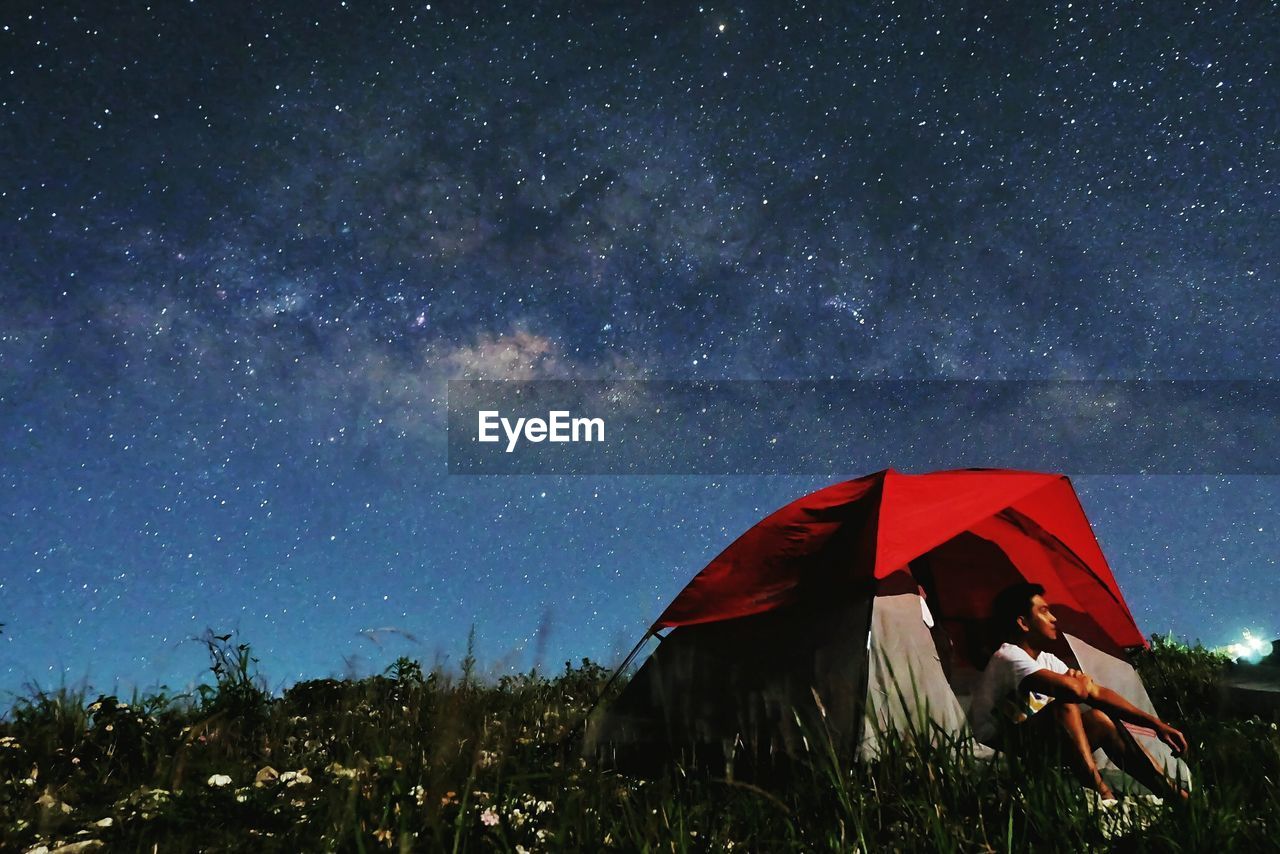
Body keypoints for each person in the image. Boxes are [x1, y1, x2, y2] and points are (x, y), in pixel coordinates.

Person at [968, 582, 1189, 800]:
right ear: (1023, 623)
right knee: (1065, 703)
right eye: (1044, 611)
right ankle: (1102, 795)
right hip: (1001, 743)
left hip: (1037, 743)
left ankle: (1172, 794)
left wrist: (1155, 724)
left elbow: (1096, 693)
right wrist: (1079, 684)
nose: (1054, 618)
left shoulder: (1047, 660)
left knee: (1100, 719)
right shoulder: (1008, 656)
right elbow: (1074, 691)